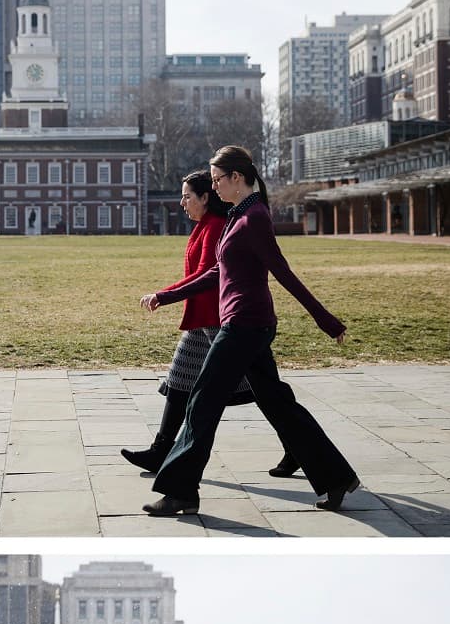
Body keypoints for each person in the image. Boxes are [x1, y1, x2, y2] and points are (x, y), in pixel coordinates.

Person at [141, 145, 360, 517]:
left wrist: (327, 321)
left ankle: (180, 491)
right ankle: (336, 477)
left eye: (217, 180)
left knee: (203, 401)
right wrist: (166, 295)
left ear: (237, 178)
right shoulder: (239, 215)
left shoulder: (255, 216)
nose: (215, 187)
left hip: (245, 325)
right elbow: (216, 273)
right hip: (249, 325)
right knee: (278, 404)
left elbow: (283, 272)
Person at [121, 170, 257, 473]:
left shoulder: (216, 227)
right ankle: (160, 451)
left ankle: (296, 446)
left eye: (187, 196)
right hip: (200, 321)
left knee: (259, 388)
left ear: (205, 197)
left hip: (218, 321)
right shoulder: (203, 227)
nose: (182, 203)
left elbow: (207, 276)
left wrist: (163, 295)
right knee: (179, 379)